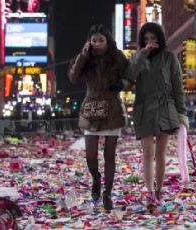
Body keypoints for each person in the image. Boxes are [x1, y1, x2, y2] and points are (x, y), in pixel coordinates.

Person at [125, 22, 188, 213]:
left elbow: (178, 86)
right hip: (144, 109)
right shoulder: (139, 58)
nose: (150, 42)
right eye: (146, 39)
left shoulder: (169, 57)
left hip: (166, 109)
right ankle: (149, 193)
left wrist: (182, 113)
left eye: (153, 38)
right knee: (147, 154)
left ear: (160, 38)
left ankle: (159, 192)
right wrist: (142, 53)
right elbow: (129, 77)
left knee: (161, 154)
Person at [68, 24, 129, 211]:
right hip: (92, 108)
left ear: (107, 40)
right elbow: (73, 77)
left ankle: (107, 194)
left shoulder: (118, 56)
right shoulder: (86, 58)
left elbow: (131, 79)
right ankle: (96, 179)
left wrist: (121, 84)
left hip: (112, 108)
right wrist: (83, 56)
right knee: (90, 154)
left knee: (110, 155)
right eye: (94, 40)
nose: (97, 44)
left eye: (100, 40)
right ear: (89, 41)